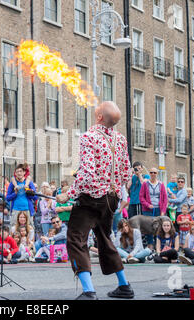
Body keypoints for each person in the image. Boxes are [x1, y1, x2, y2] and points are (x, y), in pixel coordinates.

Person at [56, 101, 133, 300]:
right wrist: (117, 192)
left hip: (92, 199)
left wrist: (68, 194)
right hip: (112, 198)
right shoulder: (121, 139)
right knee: (104, 238)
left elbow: (88, 174)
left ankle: (89, 291)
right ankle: (124, 286)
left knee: (76, 238)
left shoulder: (88, 137)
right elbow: (127, 172)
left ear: (99, 117)